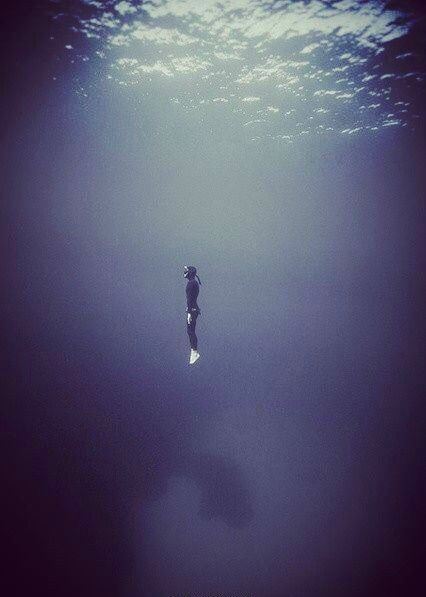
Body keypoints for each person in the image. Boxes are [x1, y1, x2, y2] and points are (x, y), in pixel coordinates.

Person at [183, 265, 201, 364]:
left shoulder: (191, 283)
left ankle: (194, 351)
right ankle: (194, 350)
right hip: (194, 309)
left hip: (192, 310)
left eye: (186, 271)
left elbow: (190, 299)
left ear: (190, 273)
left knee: (190, 331)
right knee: (191, 331)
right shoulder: (194, 282)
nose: (184, 272)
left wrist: (189, 312)